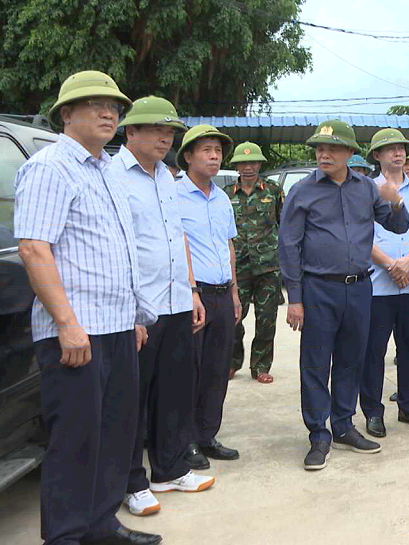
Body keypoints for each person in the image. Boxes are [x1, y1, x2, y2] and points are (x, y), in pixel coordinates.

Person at [16, 70, 162, 545]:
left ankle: (100, 525)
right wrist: (67, 324)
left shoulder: (107, 171)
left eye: (115, 107)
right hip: (77, 332)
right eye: (95, 105)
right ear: (66, 113)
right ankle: (65, 535)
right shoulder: (50, 166)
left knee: (115, 435)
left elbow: (120, 249)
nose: (109, 113)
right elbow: (35, 249)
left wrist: (135, 318)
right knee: (76, 440)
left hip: (117, 327)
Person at [278, 120, 409, 470]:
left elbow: (398, 226)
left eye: (333, 148)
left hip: (359, 287)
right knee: (316, 364)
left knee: (353, 359)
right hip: (319, 288)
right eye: (320, 148)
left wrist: (396, 203)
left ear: (350, 153)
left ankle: (343, 425)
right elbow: (288, 246)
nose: (324, 154)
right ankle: (318, 434)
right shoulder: (302, 192)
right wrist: (295, 298)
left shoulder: (366, 188)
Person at [112, 96, 214, 518]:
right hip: (140, 307)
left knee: (174, 391)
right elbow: (116, 247)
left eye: (170, 131)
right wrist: (131, 312)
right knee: (132, 399)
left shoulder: (166, 178)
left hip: (174, 301)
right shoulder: (113, 176)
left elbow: (177, 240)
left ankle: (169, 468)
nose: (164, 137)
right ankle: (130, 481)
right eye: (156, 129)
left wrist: (191, 290)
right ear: (130, 131)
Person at [360, 129, 409, 438]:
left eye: (401, 148)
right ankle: (373, 412)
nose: (398, 153)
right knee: (373, 350)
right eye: (389, 149)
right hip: (378, 283)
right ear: (377, 156)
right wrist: (391, 264)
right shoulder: (367, 190)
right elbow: (361, 235)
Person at [177, 124, 242, 469]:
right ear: (188, 156)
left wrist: (234, 291)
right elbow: (177, 247)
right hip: (193, 295)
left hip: (221, 293)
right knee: (191, 370)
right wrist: (191, 292)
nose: (214, 156)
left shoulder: (221, 197)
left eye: (217, 151)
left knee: (218, 369)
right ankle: (185, 441)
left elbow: (228, 245)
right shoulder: (174, 195)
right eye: (206, 150)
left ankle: (207, 435)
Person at [225, 142, 285, 384]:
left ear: (260, 164)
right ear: (236, 166)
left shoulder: (273, 191)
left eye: (253, 163)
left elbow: (285, 223)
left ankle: (260, 365)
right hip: (237, 267)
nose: (248, 167)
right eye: (243, 163)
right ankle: (231, 362)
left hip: (268, 266)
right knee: (233, 318)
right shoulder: (227, 194)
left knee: (266, 319)